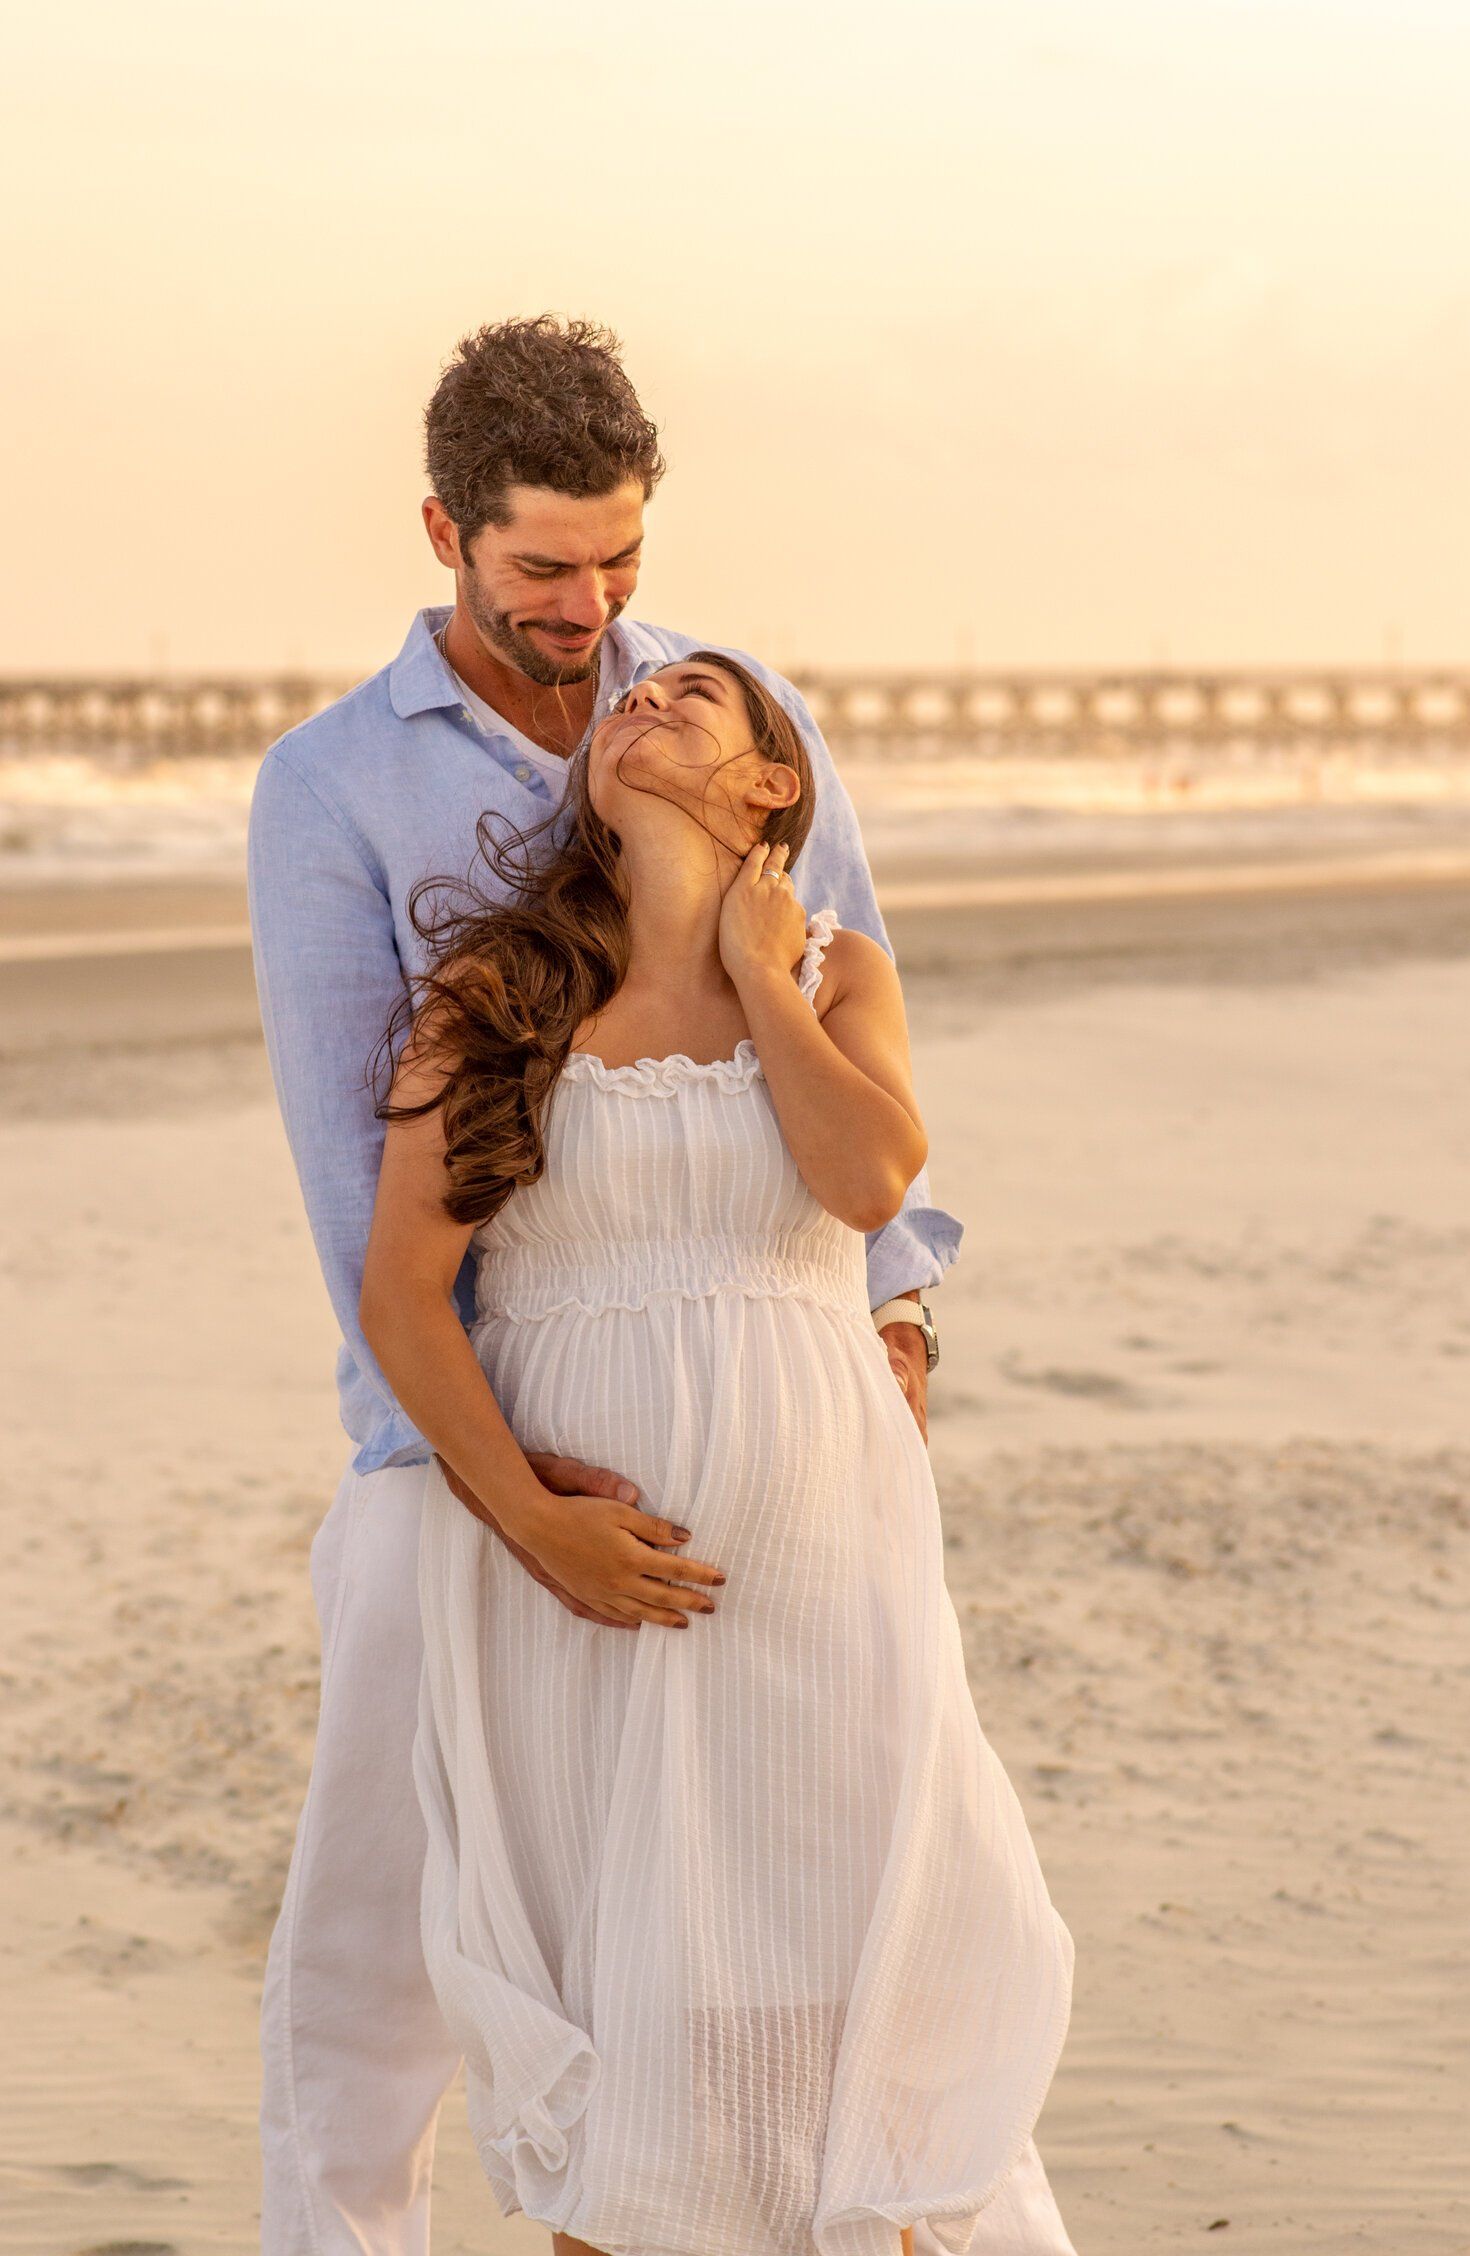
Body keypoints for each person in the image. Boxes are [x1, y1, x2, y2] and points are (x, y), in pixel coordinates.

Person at [248, 314, 1079, 2255]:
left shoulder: (727, 702)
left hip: (779, 1434)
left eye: (621, 557)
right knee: (388, 1950)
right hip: (458, 1436)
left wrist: (892, 1332)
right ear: (446, 530)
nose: (595, 607)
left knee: (815, 1910)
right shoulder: (337, 787)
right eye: (545, 566)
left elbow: (857, 1068)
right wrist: (494, 1489)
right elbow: (356, 1193)